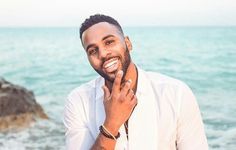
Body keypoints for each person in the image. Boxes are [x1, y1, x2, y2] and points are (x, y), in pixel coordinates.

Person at [63, 14, 208, 150]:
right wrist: (111, 124)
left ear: (128, 43)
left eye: (109, 42)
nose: (103, 54)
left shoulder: (176, 93)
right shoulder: (78, 101)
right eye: (93, 51)